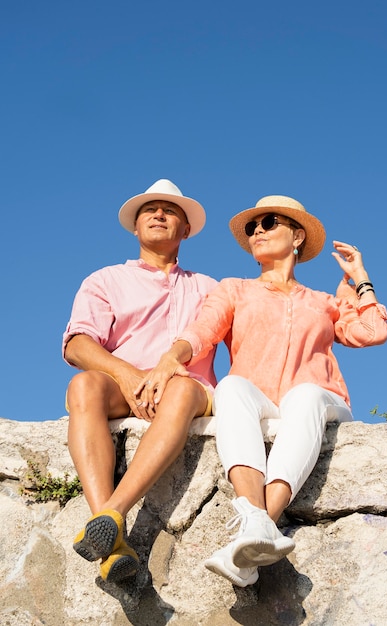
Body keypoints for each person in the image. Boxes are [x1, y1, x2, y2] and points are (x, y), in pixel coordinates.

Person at [137, 193, 387, 587]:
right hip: (260, 398)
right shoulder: (234, 289)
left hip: (320, 399)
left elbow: (373, 332)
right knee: (232, 386)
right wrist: (173, 357)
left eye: (269, 222)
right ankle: (257, 527)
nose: (257, 230)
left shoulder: (324, 301)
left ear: (298, 237)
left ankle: (258, 524)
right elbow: (203, 331)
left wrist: (360, 277)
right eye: (253, 226)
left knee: (304, 394)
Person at [62, 179, 218, 584]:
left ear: (186, 229)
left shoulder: (210, 289)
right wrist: (127, 373)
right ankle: (111, 540)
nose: (159, 214)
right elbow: (77, 344)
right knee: (83, 386)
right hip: (124, 387)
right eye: (150, 210)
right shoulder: (105, 280)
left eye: (170, 211)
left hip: (187, 392)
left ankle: (111, 514)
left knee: (182, 387)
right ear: (136, 227)